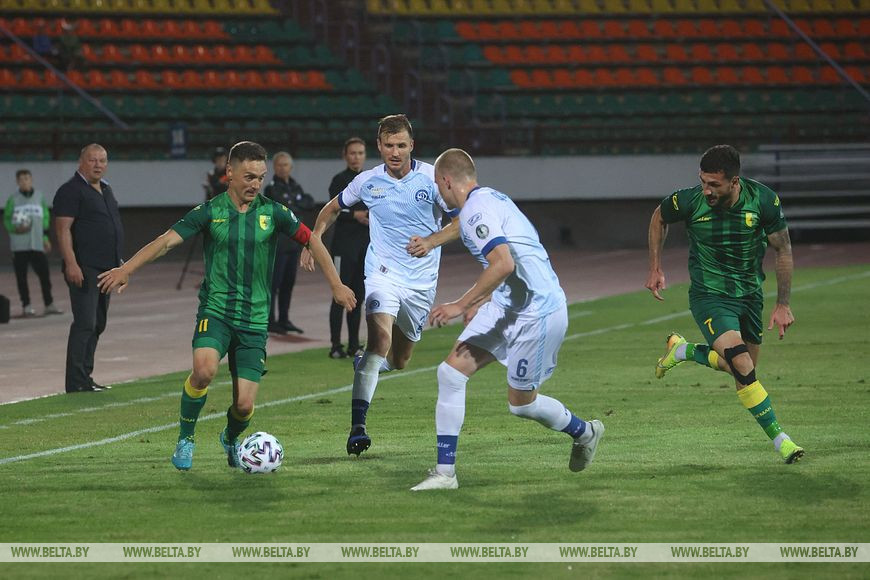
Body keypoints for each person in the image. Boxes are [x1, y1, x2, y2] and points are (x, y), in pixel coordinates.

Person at [97, 141, 355, 471]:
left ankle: (230, 437)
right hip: (216, 312)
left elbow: (312, 241)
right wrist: (127, 269)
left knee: (244, 406)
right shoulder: (209, 211)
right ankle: (186, 438)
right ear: (229, 173)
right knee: (204, 370)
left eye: (260, 177)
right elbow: (165, 242)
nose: (255, 184)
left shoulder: (273, 212)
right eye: (249, 177)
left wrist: (335, 284)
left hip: (255, 320)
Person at [410, 149, 603, 491]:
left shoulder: (476, 210)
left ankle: (585, 432)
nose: (439, 192)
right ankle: (445, 473)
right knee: (450, 373)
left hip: (537, 312)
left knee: (522, 406)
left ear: (446, 181)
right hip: (507, 305)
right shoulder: (488, 199)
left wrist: (461, 304)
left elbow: (503, 264)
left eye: (438, 186)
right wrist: (481, 294)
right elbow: (493, 244)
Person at [303, 114, 460, 456]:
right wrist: (315, 236)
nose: (395, 152)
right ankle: (357, 427)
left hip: (420, 283)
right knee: (380, 340)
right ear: (379, 146)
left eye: (401, 145)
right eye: (388, 145)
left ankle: (368, 363)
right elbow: (332, 208)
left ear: (411, 145)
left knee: (400, 359)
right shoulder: (367, 181)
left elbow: (460, 221)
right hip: (382, 274)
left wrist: (431, 241)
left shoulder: (433, 179)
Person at [645, 144, 804, 464]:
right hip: (710, 296)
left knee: (742, 371)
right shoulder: (689, 201)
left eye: (714, 184)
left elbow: (783, 248)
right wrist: (655, 267)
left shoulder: (763, 200)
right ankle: (782, 441)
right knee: (742, 365)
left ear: (734, 182)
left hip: (750, 296)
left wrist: (783, 303)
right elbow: (659, 217)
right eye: (703, 182)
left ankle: (683, 350)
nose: (706, 190)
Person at [53, 144, 123, 393]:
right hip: (85, 268)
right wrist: (72, 263)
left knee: (98, 323)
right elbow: (63, 230)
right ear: (81, 162)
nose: (98, 165)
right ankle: (75, 382)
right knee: (85, 323)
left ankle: (85, 377)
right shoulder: (70, 190)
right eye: (92, 160)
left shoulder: (106, 189)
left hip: (106, 269)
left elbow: (112, 227)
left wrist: (120, 266)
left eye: (102, 160)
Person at [327, 137, 368, 359]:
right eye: (353, 153)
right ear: (345, 155)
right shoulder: (339, 180)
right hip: (343, 248)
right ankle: (335, 345)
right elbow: (332, 210)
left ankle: (353, 344)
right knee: (339, 296)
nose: (356, 157)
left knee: (358, 297)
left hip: (364, 248)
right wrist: (355, 215)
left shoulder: (370, 180)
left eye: (360, 153)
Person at [263, 152, 313, 335]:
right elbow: (284, 208)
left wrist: (294, 203)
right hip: (278, 244)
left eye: (285, 165)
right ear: (274, 167)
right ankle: (270, 320)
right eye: (279, 165)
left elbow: (309, 202)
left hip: (293, 244)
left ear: (291, 167)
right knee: (273, 284)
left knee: (288, 283)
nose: (282, 168)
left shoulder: (295, 186)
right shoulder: (271, 189)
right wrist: (296, 202)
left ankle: (284, 319)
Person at [4, 169, 62, 317]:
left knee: (44, 275)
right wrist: (14, 229)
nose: (25, 181)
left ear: (31, 180)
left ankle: (49, 304)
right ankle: (27, 306)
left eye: (27, 178)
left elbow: (45, 218)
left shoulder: (39, 197)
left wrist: (45, 239)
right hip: (20, 246)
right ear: (17, 182)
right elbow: (7, 219)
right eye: (21, 179)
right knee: (21, 277)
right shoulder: (13, 200)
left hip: (37, 244)